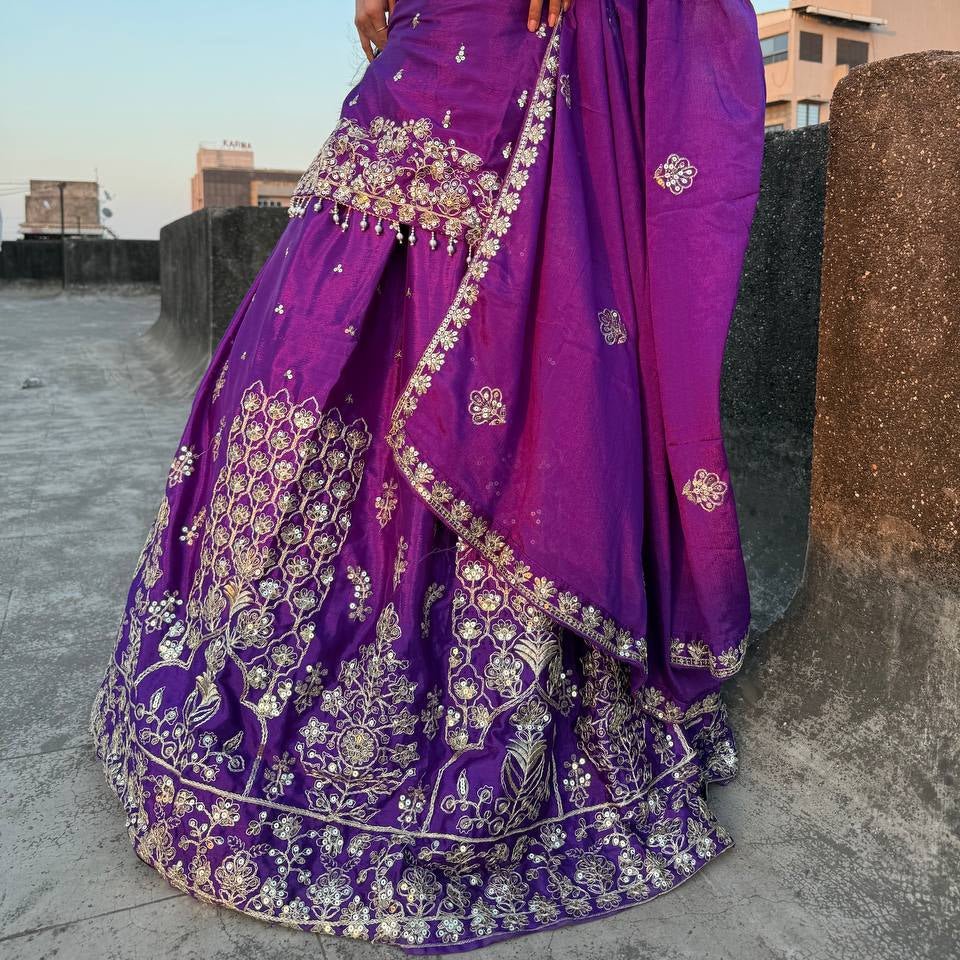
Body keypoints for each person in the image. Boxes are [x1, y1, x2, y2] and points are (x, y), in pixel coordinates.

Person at [92, 0, 765, 951]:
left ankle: (491, 700)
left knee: (512, 309)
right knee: (324, 298)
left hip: (534, 40)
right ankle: (257, 655)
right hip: (430, 22)